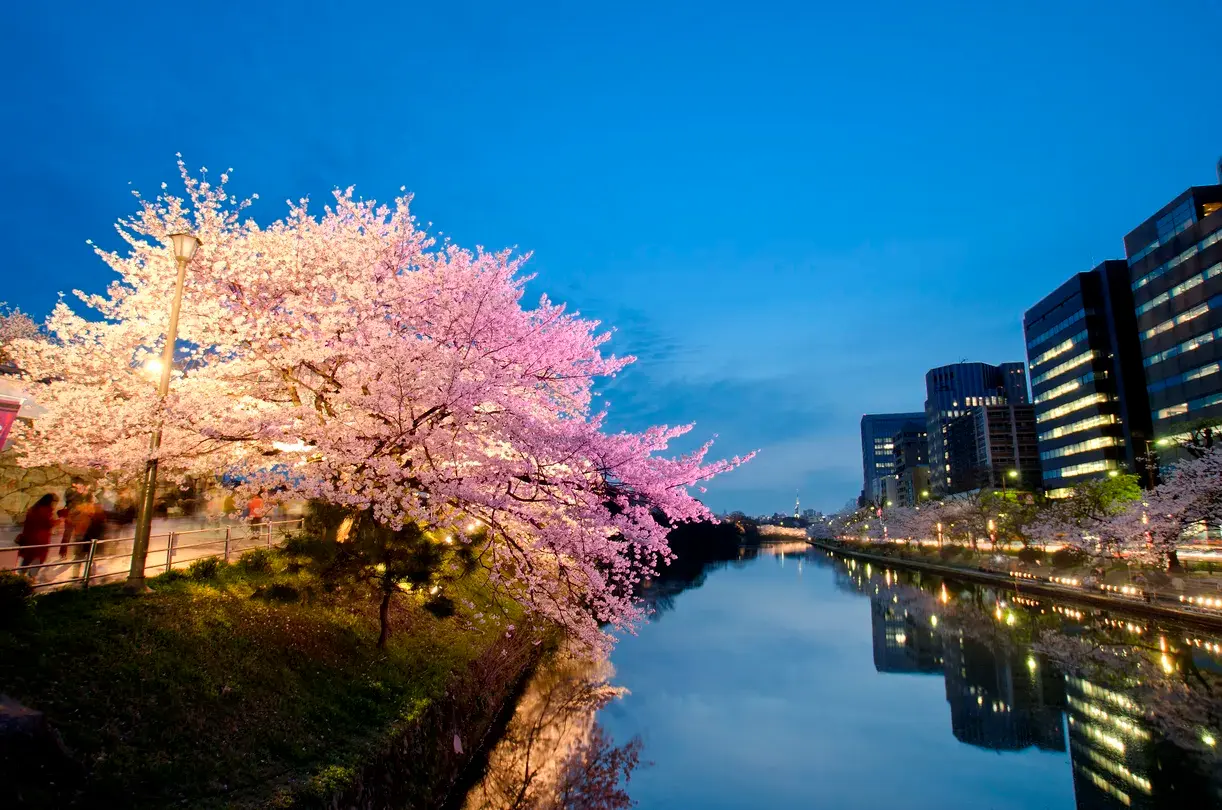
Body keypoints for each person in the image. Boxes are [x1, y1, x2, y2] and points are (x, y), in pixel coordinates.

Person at [16, 493, 59, 583]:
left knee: (28, 557)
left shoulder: (33, 509)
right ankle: (31, 577)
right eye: (55, 503)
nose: (55, 505)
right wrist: (60, 520)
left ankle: (20, 575)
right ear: (51, 502)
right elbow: (48, 524)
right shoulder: (46, 511)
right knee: (38, 559)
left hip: (29, 537)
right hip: (40, 539)